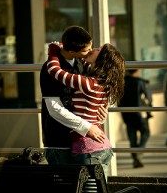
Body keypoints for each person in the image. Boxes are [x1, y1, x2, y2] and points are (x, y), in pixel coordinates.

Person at [46, 42, 125, 179]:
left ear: (101, 60)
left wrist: (53, 50)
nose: (93, 49)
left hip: (88, 150)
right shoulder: (102, 83)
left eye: (97, 50)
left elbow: (55, 71)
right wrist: (73, 49)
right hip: (102, 148)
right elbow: (85, 61)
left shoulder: (88, 83)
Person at [40, 26, 107, 166]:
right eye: (87, 49)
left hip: (80, 139)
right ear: (71, 51)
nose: (91, 51)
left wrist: (101, 111)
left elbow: (97, 91)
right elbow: (54, 108)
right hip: (59, 139)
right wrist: (86, 127)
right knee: (63, 185)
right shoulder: (51, 68)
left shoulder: (82, 63)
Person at [119, 69, 153, 168]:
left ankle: (135, 158)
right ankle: (138, 153)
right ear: (137, 71)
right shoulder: (140, 82)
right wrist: (149, 110)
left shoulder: (122, 83)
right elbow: (148, 98)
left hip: (126, 114)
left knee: (132, 138)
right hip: (140, 114)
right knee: (146, 133)